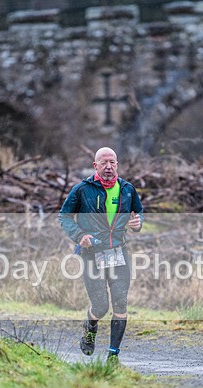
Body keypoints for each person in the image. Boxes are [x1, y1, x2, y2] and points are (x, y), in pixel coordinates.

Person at [58, 147, 144, 364]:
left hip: (119, 253)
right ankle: (90, 326)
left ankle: (113, 356)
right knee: (101, 306)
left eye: (112, 162)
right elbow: (64, 217)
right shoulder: (82, 190)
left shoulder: (127, 189)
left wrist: (138, 223)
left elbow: (138, 213)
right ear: (95, 166)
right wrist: (79, 236)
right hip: (91, 254)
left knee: (121, 303)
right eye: (103, 162)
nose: (108, 166)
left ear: (117, 164)